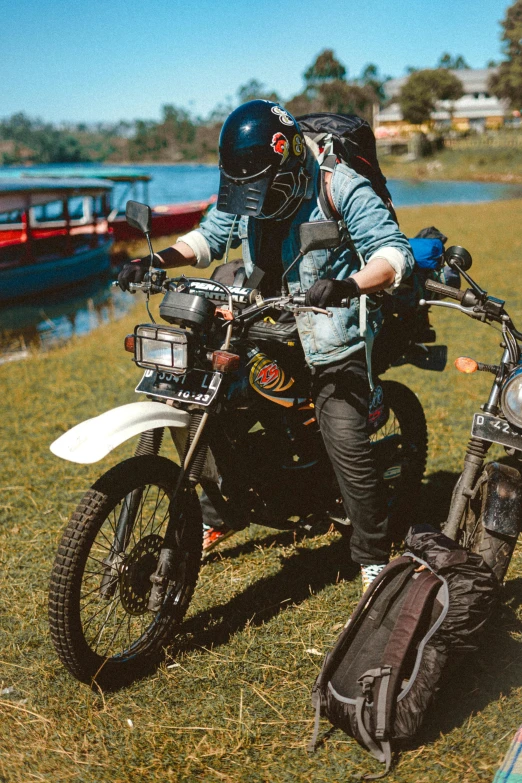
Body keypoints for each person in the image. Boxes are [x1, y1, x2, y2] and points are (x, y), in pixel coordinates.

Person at [118, 100, 415, 592]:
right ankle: (222, 511)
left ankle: (372, 558)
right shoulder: (246, 183)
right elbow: (213, 234)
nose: (252, 197)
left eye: (261, 188)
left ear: (291, 158)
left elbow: (392, 252)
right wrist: (158, 260)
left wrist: (349, 285)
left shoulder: (337, 185)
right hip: (263, 320)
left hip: (329, 331)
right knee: (197, 401)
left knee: (345, 438)